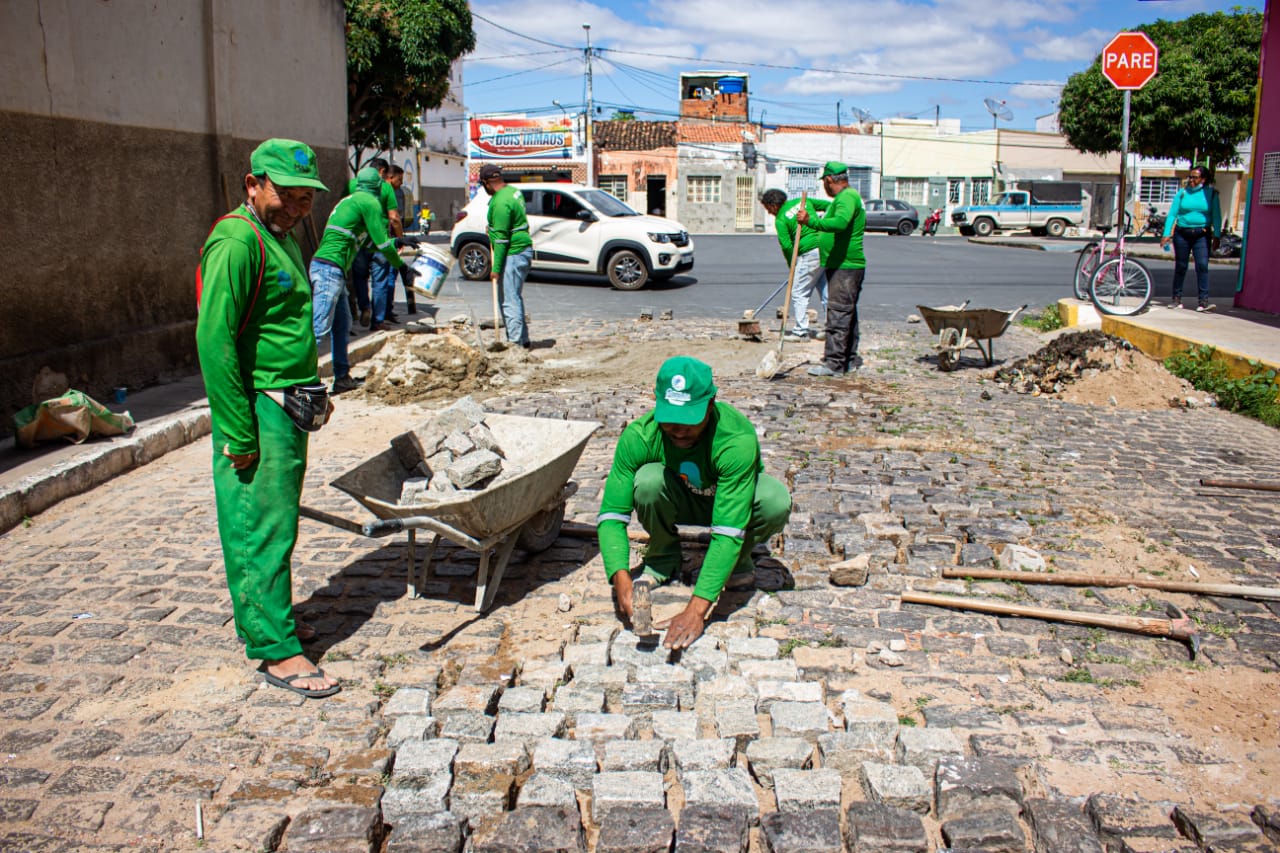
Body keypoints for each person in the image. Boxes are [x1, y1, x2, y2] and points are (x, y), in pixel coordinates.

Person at [196, 138, 340, 699]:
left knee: (278, 523)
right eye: (288, 194)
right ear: (253, 184)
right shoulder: (236, 241)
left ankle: (271, 615)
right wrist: (237, 429)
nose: (300, 206)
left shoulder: (277, 236)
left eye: (307, 197)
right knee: (261, 526)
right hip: (258, 408)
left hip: (289, 404)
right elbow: (216, 340)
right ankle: (275, 650)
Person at [601, 356, 792, 650]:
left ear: (711, 403)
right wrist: (621, 579)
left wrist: (695, 611)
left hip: (731, 506)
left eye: (689, 420)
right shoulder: (638, 436)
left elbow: (728, 529)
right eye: (670, 419)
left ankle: (737, 562)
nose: (678, 429)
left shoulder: (736, 439)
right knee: (648, 481)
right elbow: (612, 516)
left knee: (774, 500)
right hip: (680, 499)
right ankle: (663, 558)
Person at [311, 167, 413, 394]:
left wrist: (398, 243)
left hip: (330, 268)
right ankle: (300, 382)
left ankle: (342, 377)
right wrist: (402, 266)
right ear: (379, 187)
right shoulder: (370, 203)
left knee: (342, 325)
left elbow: (370, 242)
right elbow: (381, 243)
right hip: (330, 270)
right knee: (319, 329)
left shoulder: (351, 201)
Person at [796, 162, 867, 376]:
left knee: (837, 314)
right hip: (843, 264)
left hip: (845, 266)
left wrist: (811, 221)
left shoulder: (846, 198)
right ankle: (849, 359)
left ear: (828, 180)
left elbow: (841, 223)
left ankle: (834, 364)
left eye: (825, 183)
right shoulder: (848, 197)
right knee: (848, 313)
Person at [759, 189, 830, 341]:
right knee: (825, 290)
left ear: (773, 206)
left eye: (767, 208)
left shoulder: (781, 219)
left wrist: (793, 264)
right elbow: (830, 206)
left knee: (799, 292)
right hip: (825, 249)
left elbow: (786, 246)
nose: (768, 212)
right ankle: (833, 328)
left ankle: (801, 331)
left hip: (809, 253)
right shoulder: (802, 202)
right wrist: (824, 225)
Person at [481, 163, 533, 348]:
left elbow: (502, 241)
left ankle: (515, 344)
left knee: (509, 300)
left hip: (514, 253)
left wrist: (495, 269)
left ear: (486, 182)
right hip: (523, 249)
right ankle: (523, 340)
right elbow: (507, 226)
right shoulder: (513, 192)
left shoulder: (501, 202)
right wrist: (493, 230)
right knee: (515, 297)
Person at [346, 158, 402, 330]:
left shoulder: (351, 185)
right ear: (383, 172)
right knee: (380, 281)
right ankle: (377, 321)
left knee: (360, 278)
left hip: (358, 241)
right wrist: (400, 239)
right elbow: (394, 218)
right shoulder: (385, 187)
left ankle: (364, 307)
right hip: (379, 242)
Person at [1160, 166, 1222, 312]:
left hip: (1201, 234)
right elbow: (1172, 214)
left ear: (1203, 179)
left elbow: (1216, 216)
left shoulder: (1211, 194)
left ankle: (1203, 302)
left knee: (1202, 265)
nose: (1192, 180)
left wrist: (1217, 235)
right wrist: (1166, 233)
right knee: (1181, 266)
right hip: (1182, 233)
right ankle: (1176, 299)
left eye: (1195, 177)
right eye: (1190, 177)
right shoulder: (1182, 194)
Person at [388, 164, 417, 316]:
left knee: (388, 276)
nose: (401, 183)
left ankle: (383, 312)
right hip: (388, 241)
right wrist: (400, 240)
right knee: (389, 276)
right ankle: (386, 312)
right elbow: (395, 219)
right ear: (390, 177)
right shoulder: (388, 192)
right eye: (399, 179)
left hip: (381, 240)